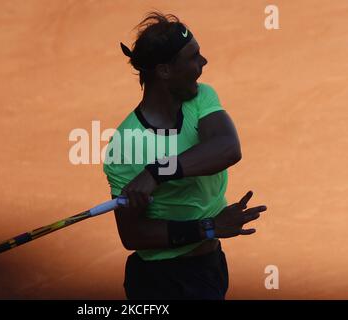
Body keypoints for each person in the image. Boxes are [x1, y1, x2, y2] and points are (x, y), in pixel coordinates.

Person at [103, 12, 267, 300]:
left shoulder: (201, 98)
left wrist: (156, 172)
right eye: (193, 57)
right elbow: (133, 235)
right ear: (164, 71)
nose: (204, 63)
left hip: (209, 267)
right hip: (159, 281)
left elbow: (228, 147)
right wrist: (208, 227)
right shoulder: (125, 145)